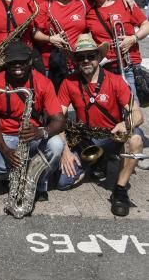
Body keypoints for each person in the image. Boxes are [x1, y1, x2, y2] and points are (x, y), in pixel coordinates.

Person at [57, 34, 144, 217]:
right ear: (76, 61)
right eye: (81, 57)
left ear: (98, 57)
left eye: (90, 56)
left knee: (135, 139)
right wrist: (64, 150)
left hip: (112, 136)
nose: (86, 60)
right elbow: (58, 117)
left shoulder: (116, 81)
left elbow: (137, 114)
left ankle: (120, 191)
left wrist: (124, 123)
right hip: (86, 139)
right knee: (63, 183)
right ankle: (98, 161)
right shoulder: (68, 82)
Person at [0, 42, 65, 202]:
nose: (17, 66)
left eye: (22, 62)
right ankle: (16, 175)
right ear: (6, 63)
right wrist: (6, 151)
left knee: (56, 145)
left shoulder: (44, 83)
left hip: (33, 135)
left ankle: (39, 182)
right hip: (4, 135)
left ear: (30, 62)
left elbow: (59, 120)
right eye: (12, 62)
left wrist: (41, 132)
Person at [83, 0, 149, 98]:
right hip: (104, 68)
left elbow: (146, 25)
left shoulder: (124, 3)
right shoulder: (89, 12)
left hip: (128, 66)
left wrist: (133, 38)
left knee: (131, 108)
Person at [33, 0, 88, 90]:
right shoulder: (45, 6)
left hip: (79, 63)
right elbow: (35, 33)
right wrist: (50, 38)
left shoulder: (83, 3)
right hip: (53, 64)